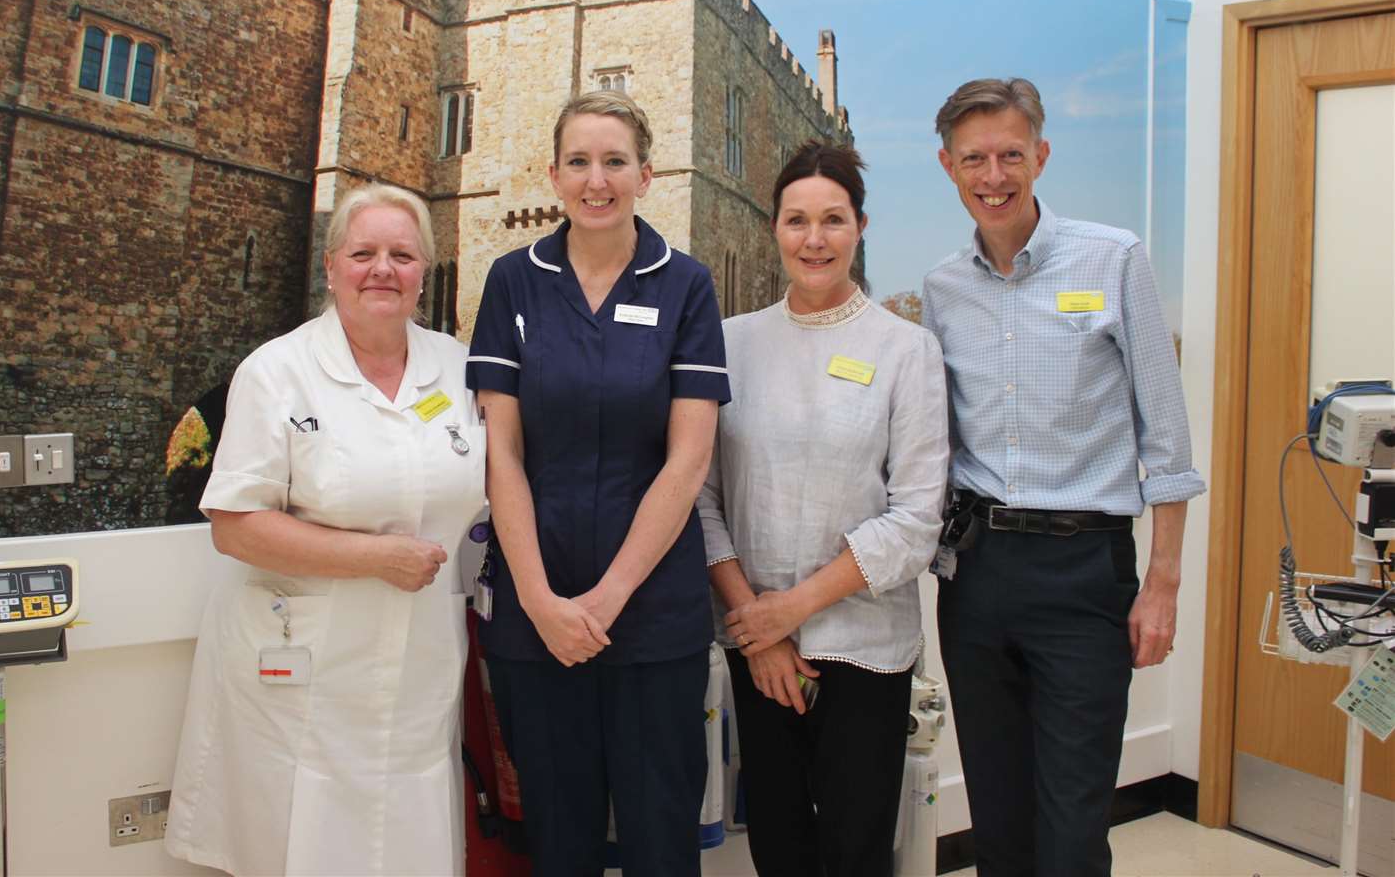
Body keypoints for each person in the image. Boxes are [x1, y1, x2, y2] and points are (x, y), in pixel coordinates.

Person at [921, 78, 1205, 877]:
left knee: (1073, 824)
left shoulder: (1113, 259)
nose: (994, 174)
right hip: (975, 575)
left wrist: (1164, 586)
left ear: (1041, 155)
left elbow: (1169, 442)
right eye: (974, 158)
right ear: (948, 166)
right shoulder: (942, 289)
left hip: (1085, 576)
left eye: (1012, 154)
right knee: (999, 820)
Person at [165, 184, 486, 877]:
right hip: (300, 662)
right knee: (304, 839)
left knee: (408, 833)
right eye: (363, 252)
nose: (382, 269)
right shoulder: (277, 372)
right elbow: (235, 525)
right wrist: (374, 557)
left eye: (401, 255)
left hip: (418, 659)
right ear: (332, 266)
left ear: (424, 271)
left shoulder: (458, 370)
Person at [466, 90, 730, 877]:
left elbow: (687, 463)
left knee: (660, 840)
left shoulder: (684, 286)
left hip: (653, 617)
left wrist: (607, 599)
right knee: (558, 841)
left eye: (615, 162)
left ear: (646, 175)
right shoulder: (514, 281)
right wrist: (545, 604)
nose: (596, 180)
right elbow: (500, 455)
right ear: (553, 174)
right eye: (579, 162)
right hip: (535, 617)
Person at [698, 141, 949, 877]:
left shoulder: (907, 351)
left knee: (855, 847)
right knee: (776, 842)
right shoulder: (729, 345)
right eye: (797, 220)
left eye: (833, 220)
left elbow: (915, 520)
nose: (815, 239)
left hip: (864, 645)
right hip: (757, 644)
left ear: (860, 227)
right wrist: (761, 629)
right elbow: (704, 497)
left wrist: (793, 609)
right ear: (773, 227)